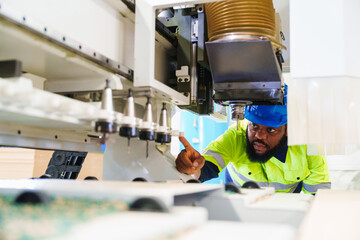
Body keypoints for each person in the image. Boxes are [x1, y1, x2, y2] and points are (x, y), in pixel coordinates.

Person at [176, 96, 331, 194]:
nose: (259, 136)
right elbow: (203, 170)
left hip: (285, 206)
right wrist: (192, 167)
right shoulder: (236, 136)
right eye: (254, 126)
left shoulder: (309, 147)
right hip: (240, 204)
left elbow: (318, 197)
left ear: (288, 129)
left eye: (271, 130)